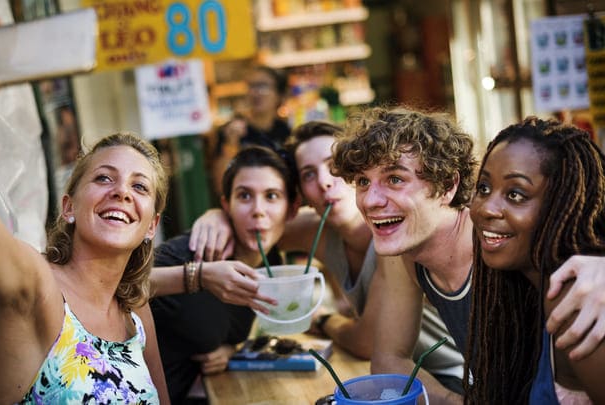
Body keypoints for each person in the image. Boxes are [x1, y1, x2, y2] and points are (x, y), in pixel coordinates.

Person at [0, 22, 170, 404]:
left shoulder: (135, 315)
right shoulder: (37, 288)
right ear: (69, 207)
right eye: (103, 178)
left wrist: (199, 276)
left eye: (139, 186)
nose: (121, 193)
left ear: (152, 225)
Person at [330, 106, 605, 404]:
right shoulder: (404, 250)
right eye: (361, 182)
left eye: (395, 179)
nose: (371, 200)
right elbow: (388, 360)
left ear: (449, 186)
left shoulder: (520, 254)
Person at [188, 121, 466, 392]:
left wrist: (321, 319)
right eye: (308, 174)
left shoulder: (396, 232)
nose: (324, 182)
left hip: (447, 374)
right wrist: (218, 217)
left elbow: (366, 342)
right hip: (400, 375)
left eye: (333, 167)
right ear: (301, 196)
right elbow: (255, 228)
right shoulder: (316, 229)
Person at [467, 117, 605, 403]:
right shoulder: (529, 288)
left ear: (562, 205)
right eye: (483, 188)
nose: (487, 209)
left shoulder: (577, 299)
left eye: (516, 194)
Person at [150, 146, 299, 403]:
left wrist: (231, 349)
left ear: (292, 208)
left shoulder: (271, 260)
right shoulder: (192, 252)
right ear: (226, 205)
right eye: (244, 196)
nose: (258, 210)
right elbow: (117, 286)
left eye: (272, 196)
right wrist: (198, 276)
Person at [211, 66, 291, 196]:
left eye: (262, 86)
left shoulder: (286, 132)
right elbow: (221, 185)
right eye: (251, 86)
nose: (255, 92)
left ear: (280, 94)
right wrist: (231, 143)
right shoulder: (232, 130)